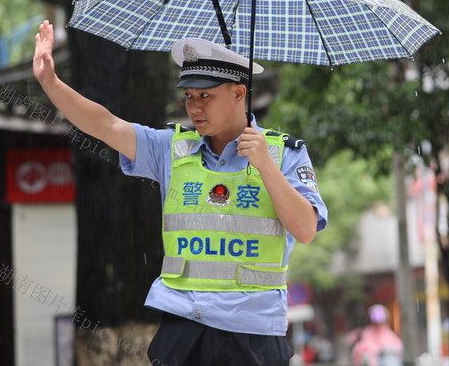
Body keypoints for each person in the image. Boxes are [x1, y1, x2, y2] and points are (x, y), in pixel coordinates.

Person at [32, 22, 328, 366]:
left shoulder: (284, 154)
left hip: (253, 330)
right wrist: (50, 83)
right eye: (189, 96)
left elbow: (306, 229)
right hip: (183, 325)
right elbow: (107, 124)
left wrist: (265, 165)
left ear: (238, 93)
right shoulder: (171, 150)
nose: (194, 108)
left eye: (206, 96)